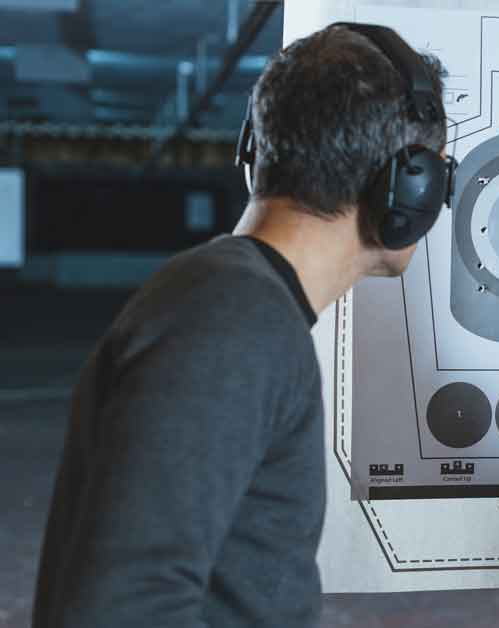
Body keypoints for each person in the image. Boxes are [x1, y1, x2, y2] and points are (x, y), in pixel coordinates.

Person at [32, 23, 451, 628]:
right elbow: (124, 606)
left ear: (255, 151)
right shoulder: (232, 319)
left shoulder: (237, 305)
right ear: (413, 187)